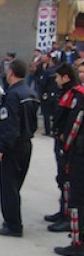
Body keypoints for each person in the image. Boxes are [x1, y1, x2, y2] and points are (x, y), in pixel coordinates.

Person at [0, 59, 39, 237]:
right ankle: (12, 220)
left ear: (11, 72)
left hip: (13, 147)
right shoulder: (30, 93)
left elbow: (10, 124)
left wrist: (1, 148)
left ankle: (13, 225)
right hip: (26, 144)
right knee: (15, 185)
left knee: (9, 187)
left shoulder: (13, 95)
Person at [44, 63, 82, 233]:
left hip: (71, 146)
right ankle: (63, 211)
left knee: (68, 181)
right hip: (62, 142)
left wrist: (65, 140)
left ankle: (68, 217)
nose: (57, 80)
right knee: (62, 179)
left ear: (66, 77)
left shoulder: (76, 95)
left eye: (59, 77)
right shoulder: (66, 93)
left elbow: (72, 122)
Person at [54, 63, 84, 256]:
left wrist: (66, 150)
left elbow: (74, 126)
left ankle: (78, 243)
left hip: (79, 154)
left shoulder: (80, 97)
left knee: (76, 199)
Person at [37, 56, 59, 136]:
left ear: (52, 62)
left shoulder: (47, 72)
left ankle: (48, 131)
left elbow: (42, 83)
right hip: (57, 95)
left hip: (47, 94)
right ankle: (55, 129)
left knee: (46, 113)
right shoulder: (60, 71)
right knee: (56, 113)